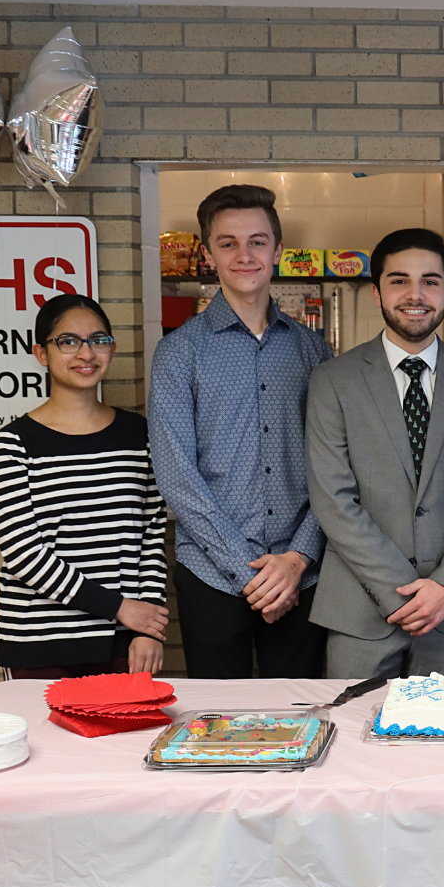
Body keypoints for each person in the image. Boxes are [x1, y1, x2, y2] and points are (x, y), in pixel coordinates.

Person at [305, 229, 444, 678]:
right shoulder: (333, 381)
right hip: (359, 609)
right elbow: (333, 500)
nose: (415, 295)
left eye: (430, 281)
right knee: (353, 737)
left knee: (443, 743)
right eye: (399, 281)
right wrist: (399, 591)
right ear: (377, 290)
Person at [149, 184, 332, 678]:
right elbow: (175, 475)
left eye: (257, 241)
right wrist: (251, 573)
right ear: (208, 254)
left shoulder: (313, 352)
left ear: (277, 250)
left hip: (303, 575)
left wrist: (297, 559)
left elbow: (335, 468)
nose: (244, 254)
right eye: (228, 243)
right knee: (217, 725)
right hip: (211, 574)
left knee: (304, 712)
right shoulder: (178, 353)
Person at [0, 295, 168, 679]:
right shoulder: (14, 443)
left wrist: (148, 624)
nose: (85, 353)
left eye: (98, 340)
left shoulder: (139, 435)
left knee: (125, 740)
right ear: (41, 352)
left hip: (123, 643)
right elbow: (23, 554)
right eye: (68, 341)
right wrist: (121, 607)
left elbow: (152, 534)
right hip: (39, 642)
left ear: (111, 349)